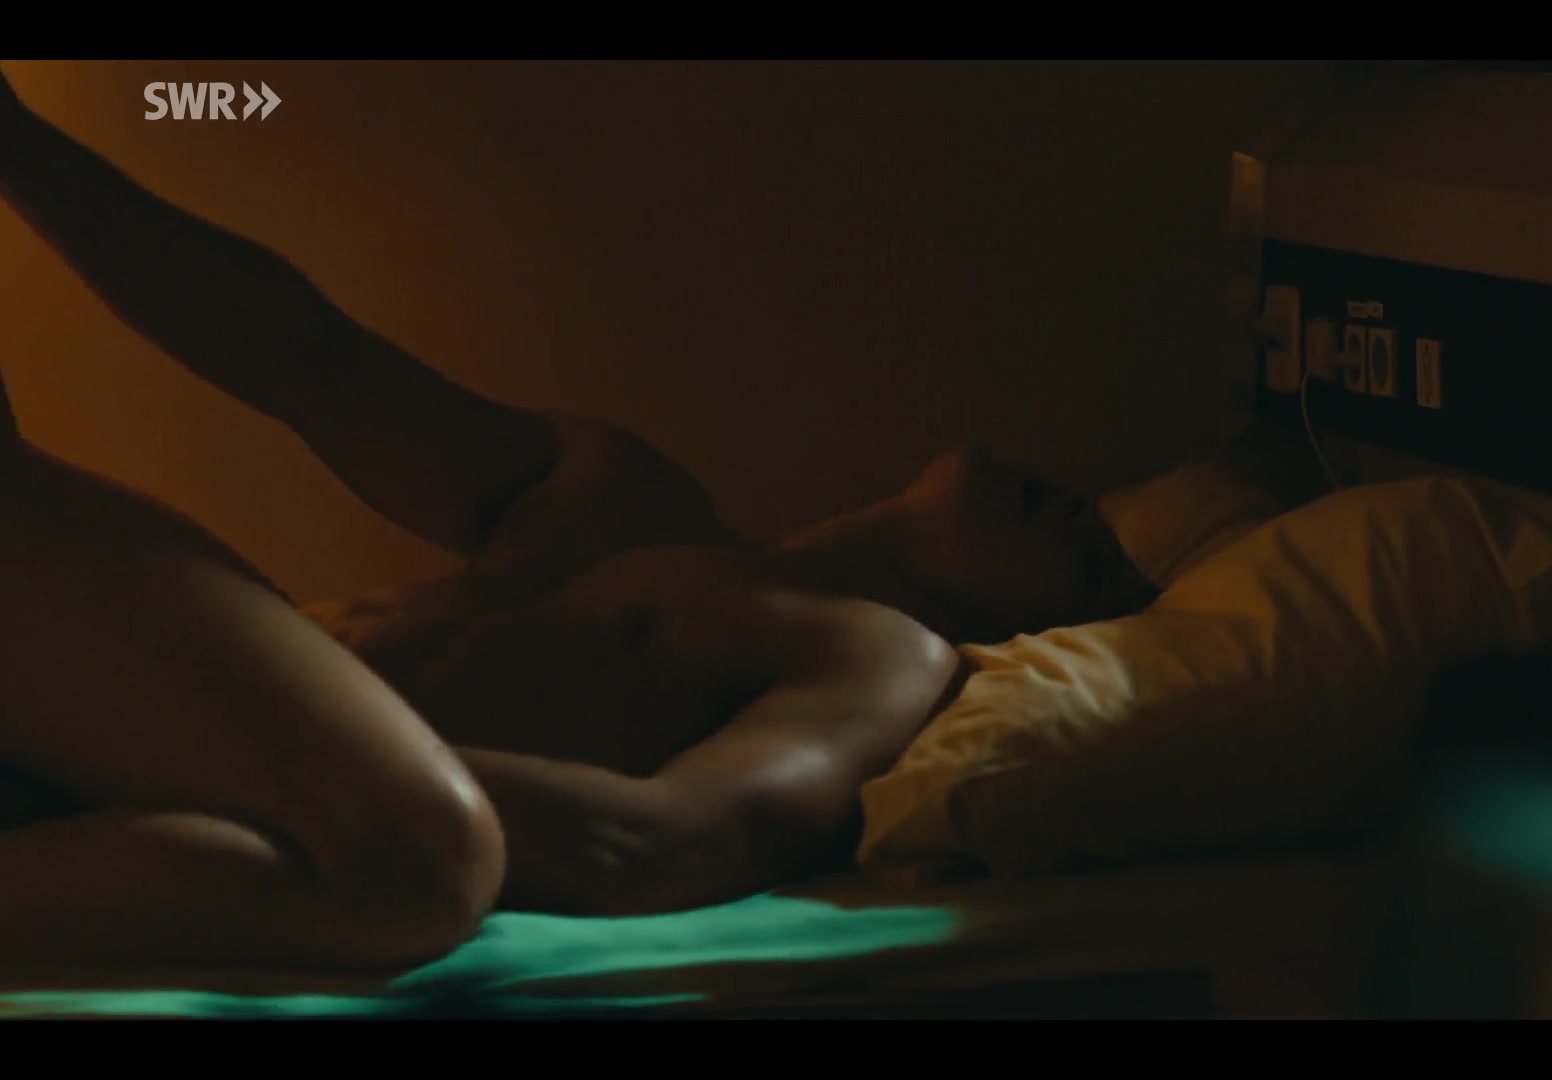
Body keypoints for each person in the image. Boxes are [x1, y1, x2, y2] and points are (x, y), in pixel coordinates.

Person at [0, 68, 1155, 983]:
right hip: (75, 702)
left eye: (1104, 566)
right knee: (411, 867)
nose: (1086, 513)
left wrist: (283, 777)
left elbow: (658, 841)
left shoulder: (885, 660)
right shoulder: (625, 498)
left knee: (419, 868)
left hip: (81, 771)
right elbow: (309, 363)